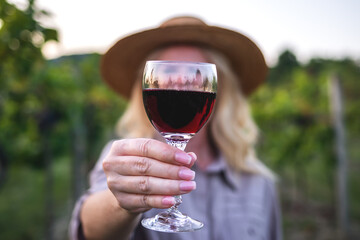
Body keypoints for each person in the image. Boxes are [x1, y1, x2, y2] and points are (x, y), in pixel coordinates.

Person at [69, 16, 282, 240]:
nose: (180, 84)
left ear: (221, 88)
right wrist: (121, 202)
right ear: (145, 87)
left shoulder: (258, 182)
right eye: (168, 75)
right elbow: (91, 232)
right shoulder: (125, 160)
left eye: (194, 75)